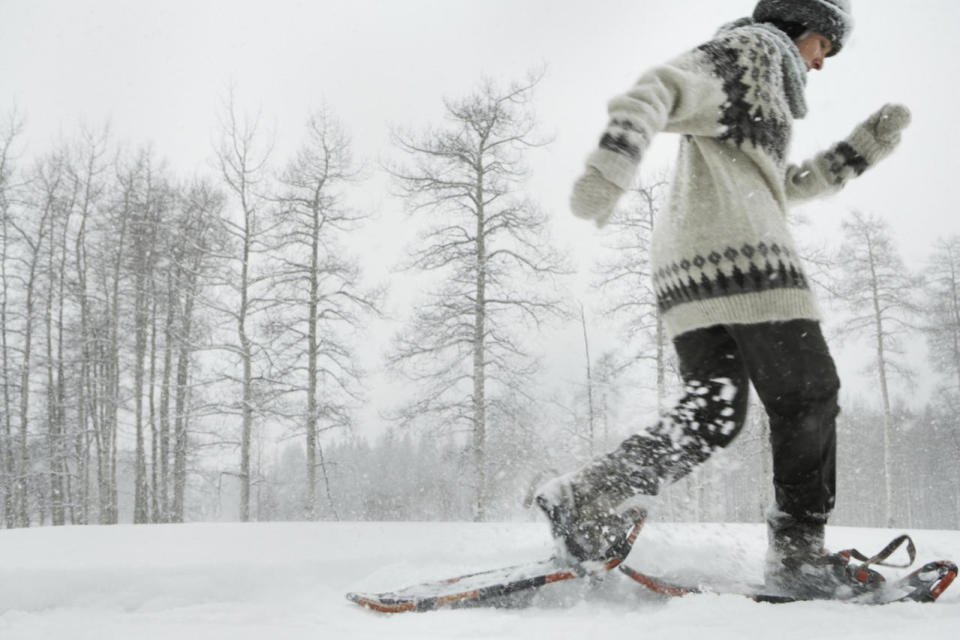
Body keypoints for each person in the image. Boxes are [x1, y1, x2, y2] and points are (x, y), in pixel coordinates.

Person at [536, 0, 911, 599]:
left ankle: (591, 494)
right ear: (803, 27)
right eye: (824, 48)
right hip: (748, 261)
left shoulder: (756, 89)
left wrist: (858, 152)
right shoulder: (756, 52)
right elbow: (658, 88)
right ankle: (798, 557)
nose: (821, 64)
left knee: (713, 411)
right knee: (807, 393)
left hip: (688, 269)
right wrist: (611, 169)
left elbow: (777, 186)